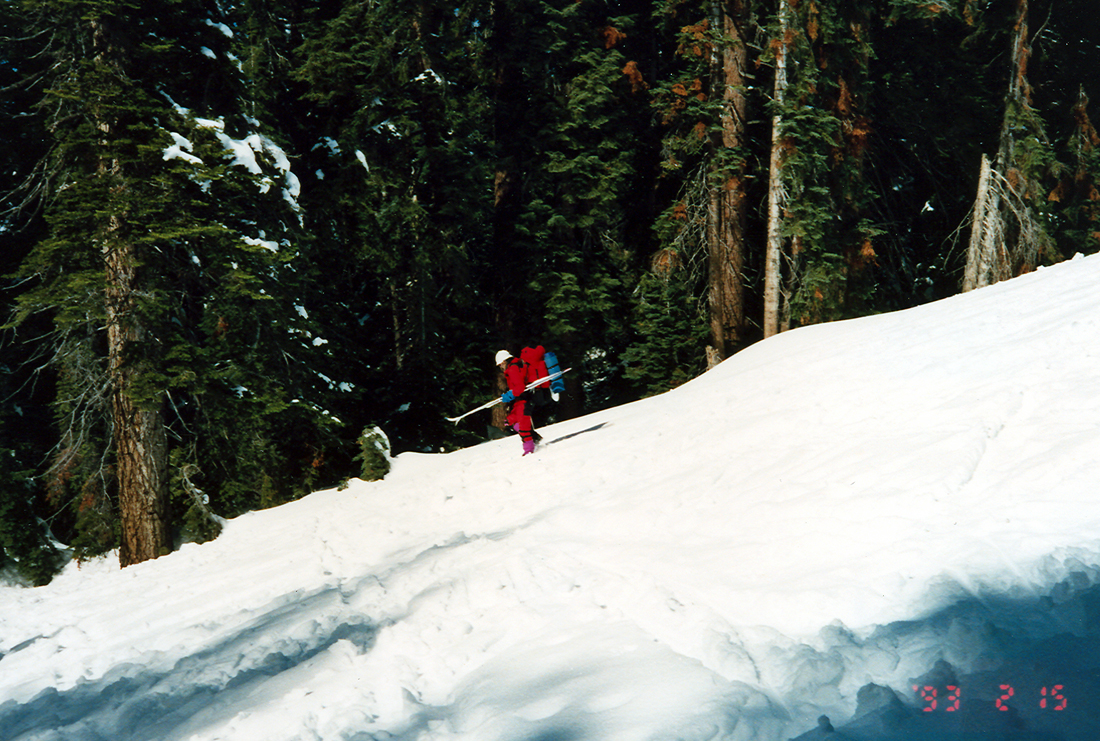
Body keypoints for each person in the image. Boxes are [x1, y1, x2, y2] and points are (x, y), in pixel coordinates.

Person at [496, 349, 539, 456]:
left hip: (524, 400)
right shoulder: (514, 367)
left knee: (523, 424)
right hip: (519, 400)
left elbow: (520, 387)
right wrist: (509, 394)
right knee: (510, 421)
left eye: (500, 365)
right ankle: (534, 438)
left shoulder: (512, 369)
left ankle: (529, 449)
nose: (501, 368)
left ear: (504, 361)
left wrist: (510, 395)